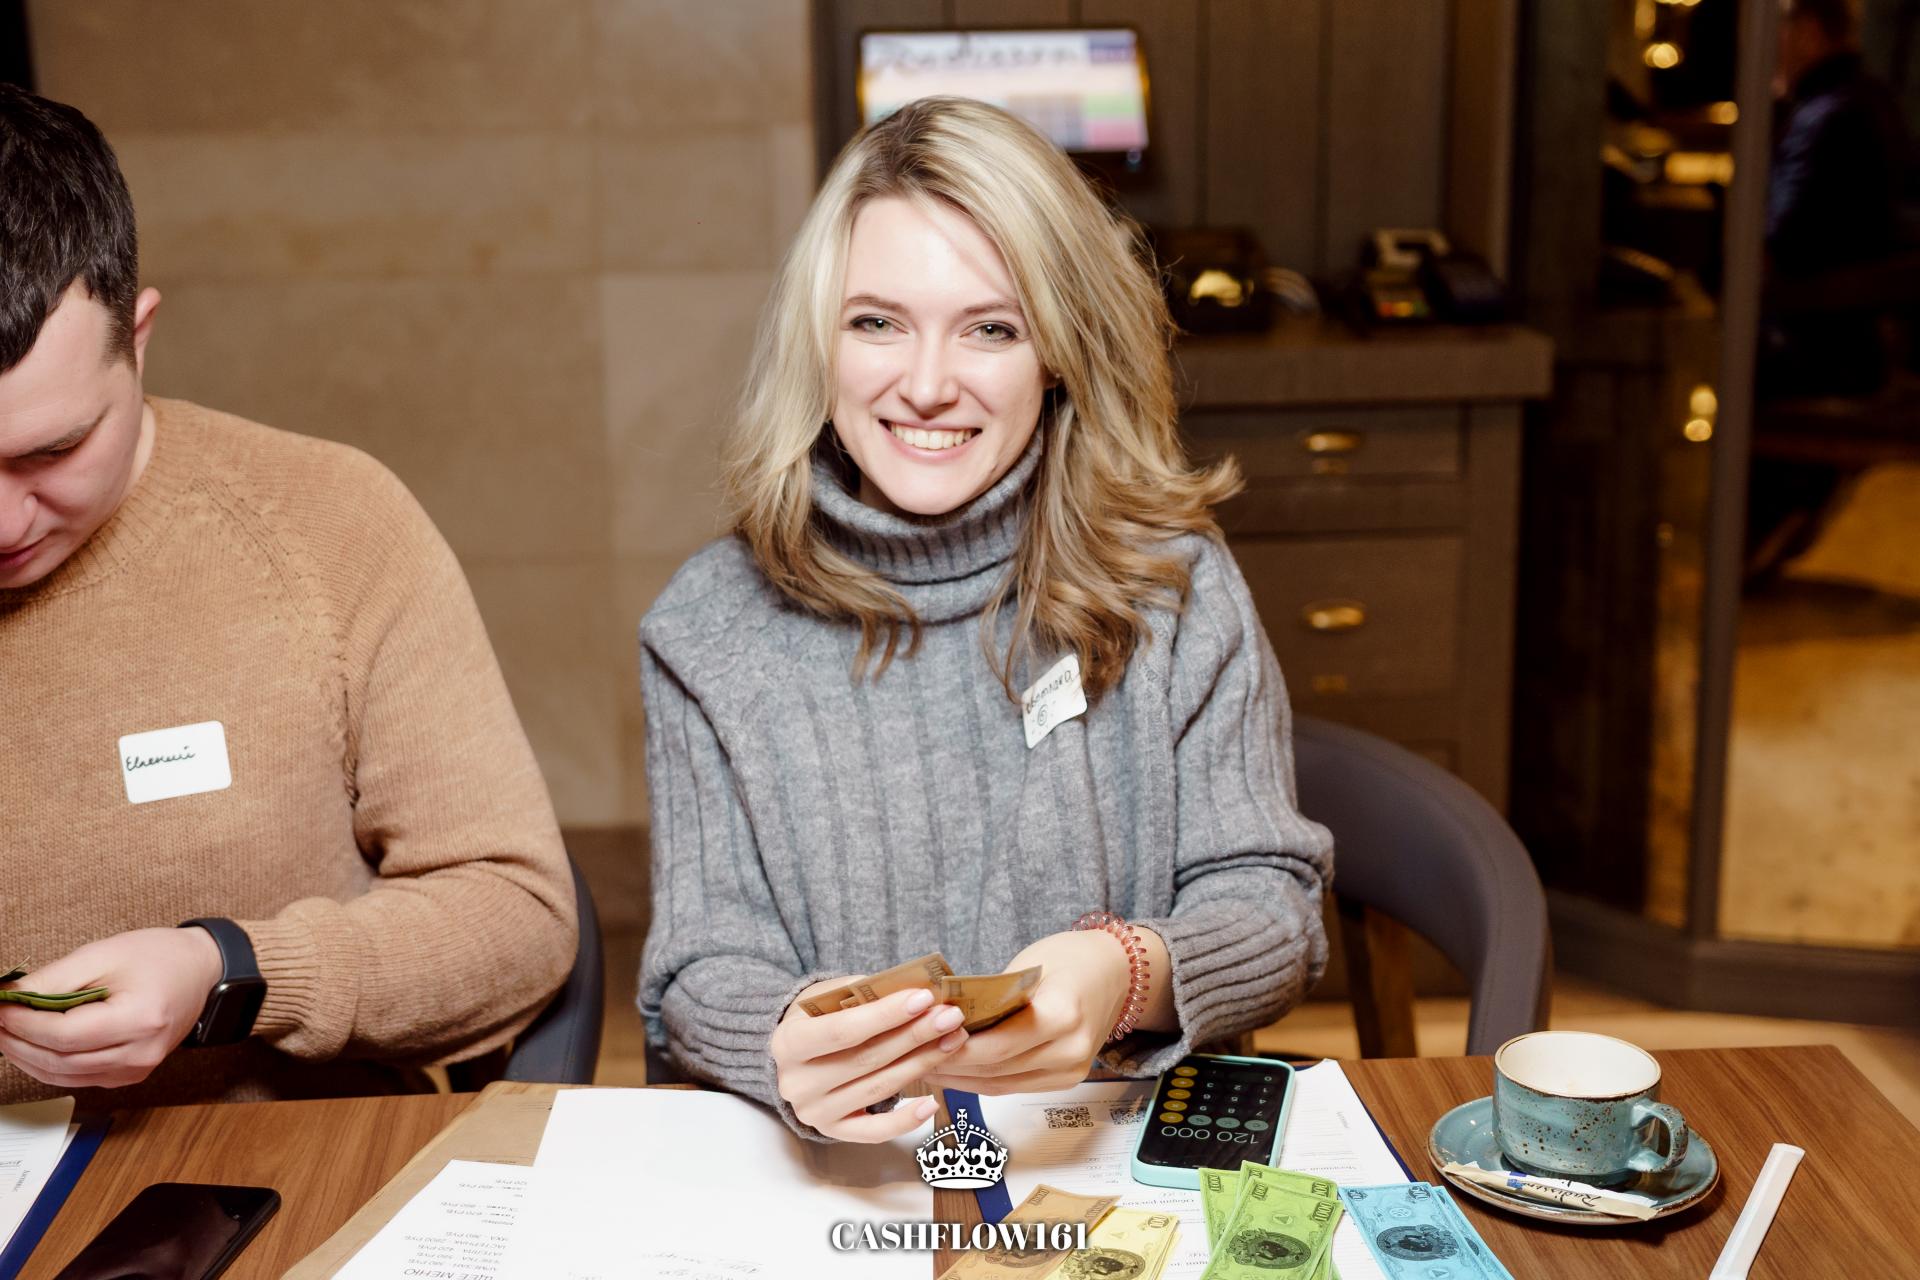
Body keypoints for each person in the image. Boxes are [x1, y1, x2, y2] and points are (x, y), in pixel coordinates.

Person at [638, 97, 1332, 1142]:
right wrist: (784, 1036)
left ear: (1059, 351)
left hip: (1117, 1157)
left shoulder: (1172, 579)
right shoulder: (706, 630)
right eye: (876, 322)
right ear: (817, 342)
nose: (926, 385)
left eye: (991, 328)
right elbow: (702, 963)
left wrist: (1126, 972)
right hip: (847, 1170)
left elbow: (1273, 905)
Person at [0, 83, 577, 1106]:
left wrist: (234, 971)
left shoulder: (331, 525)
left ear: (140, 337)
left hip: (300, 1162)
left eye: (53, 450)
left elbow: (516, 916)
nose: (4, 523)